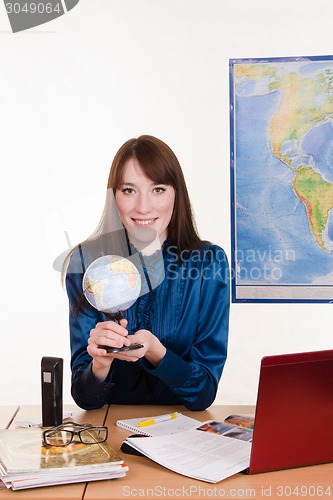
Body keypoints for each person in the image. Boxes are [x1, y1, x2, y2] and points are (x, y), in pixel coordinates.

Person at [65, 135, 230, 411]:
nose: (143, 207)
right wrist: (100, 364)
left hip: (183, 435)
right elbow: (85, 399)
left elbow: (204, 393)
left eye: (158, 189)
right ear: (114, 195)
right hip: (109, 432)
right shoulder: (86, 262)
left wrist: (158, 353)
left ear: (176, 193)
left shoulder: (208, 263)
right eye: (129, 190)